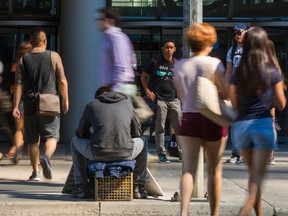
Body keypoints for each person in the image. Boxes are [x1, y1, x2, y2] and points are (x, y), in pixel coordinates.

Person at [173, 23, 229, 216]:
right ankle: (214, 214)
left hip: (188, 117)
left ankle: (184, 211)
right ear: (210, 42)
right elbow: (226, 92)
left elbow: (180, 94)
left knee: (188, 169)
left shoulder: (180, 65)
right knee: (214, 170)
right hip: (211, 117)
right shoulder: (214, 64)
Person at [230, 27, 286, 216]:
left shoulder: (238, 71)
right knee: (256, 182)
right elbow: (281, 104)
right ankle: (243, 213)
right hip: (262, 125)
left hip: (241, 127)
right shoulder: (271, 70)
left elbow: (235, 103)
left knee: (254, 177)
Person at [70, 87, 148, 199]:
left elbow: (80, 133)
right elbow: (137, 132)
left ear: (97, 97)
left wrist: (93, 137)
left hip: (98, 153)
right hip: (126, 153)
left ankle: (81, 187)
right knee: (143, 141)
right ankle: (138, 187)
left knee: (74, 142)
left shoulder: (92, 105)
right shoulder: (127, 104)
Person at [13, 27, 69, 181]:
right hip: (49, 102)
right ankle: (46, 156)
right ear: (45, 41)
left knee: (32, 140)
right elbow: (62, 80)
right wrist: (65, 100)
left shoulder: (22, 60)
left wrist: (16, 106)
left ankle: (35, 172)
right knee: (52, 136)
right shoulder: (54, 56)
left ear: (31, 42)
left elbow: (18, 84)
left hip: (30, 102)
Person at [141, 40, 181, 163]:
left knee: (179, 128)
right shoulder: (155, 62)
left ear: (174, 49)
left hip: (174, 100)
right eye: (166, 47)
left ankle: (181, 153)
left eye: (171, 47)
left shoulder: (177, 63)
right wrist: (148, 91)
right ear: (163, 48)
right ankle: (161, 154)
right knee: (160, 128)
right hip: (160, 100)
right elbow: (143, 76)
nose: (169, 49)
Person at [96, 7, 137, 101]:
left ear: (110, 20)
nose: (97, 22)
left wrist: (114, 92)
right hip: (115, 89)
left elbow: (121, 66)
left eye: (101, 19)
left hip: (120, 89)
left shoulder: (116, 37)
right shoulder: (108, 38)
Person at [4, 40, 32, 164]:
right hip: (33, 99)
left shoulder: (15, 65)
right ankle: (34, 158)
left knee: (19, 129)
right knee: (34, 130)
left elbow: (12, 84)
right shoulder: (33, 63)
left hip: (19, 100)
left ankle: (16, 147)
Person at [225, 23, 248, 164]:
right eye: (234, 33)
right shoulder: (232, 50)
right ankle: (235, 153)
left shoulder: (252, 49)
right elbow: (229, 72)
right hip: (236, 90)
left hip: (249, 91)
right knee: (234, 122)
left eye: (239, 32)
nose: (236, 36)